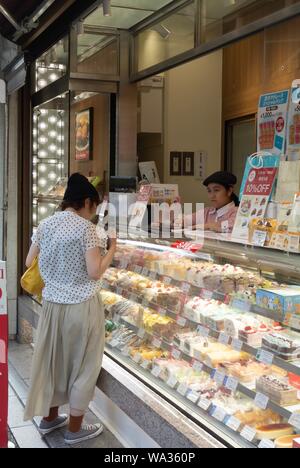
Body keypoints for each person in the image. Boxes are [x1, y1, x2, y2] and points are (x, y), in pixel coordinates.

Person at [24, 173, 117, 445]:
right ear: (87, 202)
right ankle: (75, 429)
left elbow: (30, 260)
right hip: (82, 307)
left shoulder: (45, 224)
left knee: (55, 363)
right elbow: (94, 271)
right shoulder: (86, 229)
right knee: (83, 367)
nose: (94, 213)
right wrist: (112, 249)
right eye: (94, 207)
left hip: (52, 306)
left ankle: (49, 418)